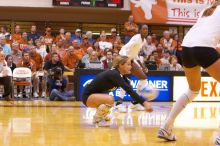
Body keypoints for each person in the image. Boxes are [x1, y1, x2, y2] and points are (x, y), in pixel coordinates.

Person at [157, 1, 220, 143]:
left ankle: (166, 127)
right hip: (203, 47)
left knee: (193, 90)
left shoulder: (207, 10)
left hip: (186, 48)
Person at [82, 56, 153, 126]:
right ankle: (97, 119)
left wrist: (142, 101)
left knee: (109, 100)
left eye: (130, 65)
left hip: (96, 97)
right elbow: (129, 90)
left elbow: (130, 90)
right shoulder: (114, 74)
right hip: (88, 98)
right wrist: (145, 103)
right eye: (128, 64)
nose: (131, 67)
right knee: (110, 99)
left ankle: (103, 115)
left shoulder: (122, 76)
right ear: (120, 65)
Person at [116, 24, 148, 112]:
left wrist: (142, 66)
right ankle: (118, 103)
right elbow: (126, 48)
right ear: (140, 30)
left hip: (130, 59)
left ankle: (135, 102)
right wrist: (125, 61)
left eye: (147, 29)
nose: (146, 31)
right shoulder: (136, 38)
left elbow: (135, 54)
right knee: (127, 81)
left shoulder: (143, 40)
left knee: (143, 78)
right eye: (144, 29)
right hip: (124, 57)